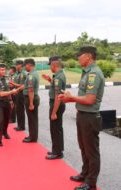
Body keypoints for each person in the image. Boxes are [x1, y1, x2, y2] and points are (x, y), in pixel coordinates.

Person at [59, 46, 104, 190]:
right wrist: (70, 98)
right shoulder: (86, 72)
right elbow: (84, 95)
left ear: (88, 56)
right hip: (83, 115)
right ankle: (85, 174)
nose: (78, 58)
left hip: (90, 117)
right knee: (83, 148)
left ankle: (91, 183)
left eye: (80, 55)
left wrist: (71, 98)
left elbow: (90, 99)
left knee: (91, 151)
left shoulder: (94, 74)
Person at [42, 56, 66, 160]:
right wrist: (49, 80)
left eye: (50, 65)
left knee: (55, 129)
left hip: (56, 104)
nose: (50, 68)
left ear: (54, 65)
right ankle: (58, 149)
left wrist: (54, 112)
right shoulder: (58, 76)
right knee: (57, 128)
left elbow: (57, 96)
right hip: (58, 103)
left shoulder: (58, 77)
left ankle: (57, 152)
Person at [0, 63, 21, 146]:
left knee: (7, 119)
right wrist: (12, 92)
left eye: (4, 69)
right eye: (2, 70)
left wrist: (11, 100)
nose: (4, 71)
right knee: (0, 120)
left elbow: (7, 88)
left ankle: (4, 132)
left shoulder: (6, 78)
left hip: (7, 102)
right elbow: (0, 93)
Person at [22, 59, 39, 143]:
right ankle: (32, 136)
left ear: (29, 65)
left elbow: (31, 90)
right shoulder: (34, 73)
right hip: (32, 98)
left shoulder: (31, 75)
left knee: (32, 119)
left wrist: (31, 103)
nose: (25, 67)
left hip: (30, 98)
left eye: (25, 65)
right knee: (33, 118)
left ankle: (32, 137)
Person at [9, 60, 26, 131]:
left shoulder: (23, 74)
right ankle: (19, 125)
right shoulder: (18, 73)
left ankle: (21, 126)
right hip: (17, 93)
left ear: (20, 65)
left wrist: (13, 84)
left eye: (16, 65)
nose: (15, 66)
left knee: (21, 110)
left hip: (21, 94)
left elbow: (22, 85)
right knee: (18, 110)